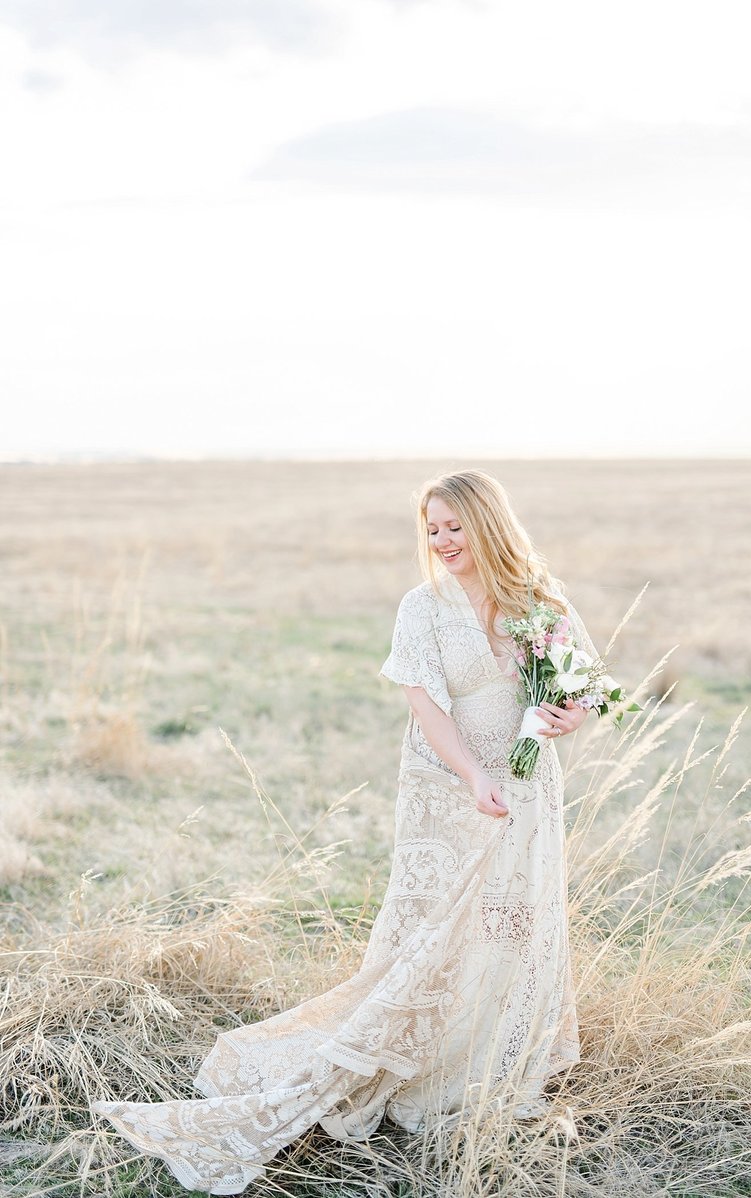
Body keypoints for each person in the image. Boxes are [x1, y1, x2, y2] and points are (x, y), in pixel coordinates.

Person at [90, 469, 600, 1195]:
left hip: (527, 784)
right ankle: (409, 1057)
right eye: (432, 528)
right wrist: (472, 778)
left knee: (515, 920)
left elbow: (581, 689)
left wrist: (567, 716)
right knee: (432, 929)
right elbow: (426, 708)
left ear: (488, 524)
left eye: (455, 526)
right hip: (447, 785)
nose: (442, 541)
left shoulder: (540, 602)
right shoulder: (421, 608)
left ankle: (492, 1060)